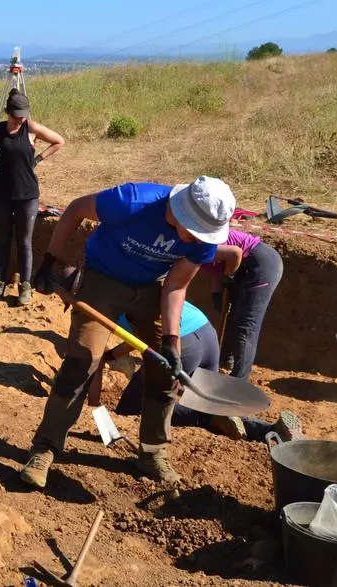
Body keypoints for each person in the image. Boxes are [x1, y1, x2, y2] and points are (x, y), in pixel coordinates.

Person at [20, 175, 236, 487]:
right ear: (182, 212)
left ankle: (152, 453)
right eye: (195, 231)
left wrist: (172, 341)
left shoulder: (205, 240)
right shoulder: (133, 201)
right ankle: (45, 449)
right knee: (82, 359)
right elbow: (76, 209)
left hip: (151, 287)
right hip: (101, 280)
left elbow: (176, 285)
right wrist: (49, 261)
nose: (197, 239)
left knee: (165, 369)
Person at [105, 301, 303, 443]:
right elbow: (141, 336)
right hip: (206, 334)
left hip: (182, 344)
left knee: (131, 407)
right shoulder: (136, 288)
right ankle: (271, 430)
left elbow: (145, 337)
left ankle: (205, 417)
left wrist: (105, 360)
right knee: (208, 401)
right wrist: (113, 355)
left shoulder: (106, 304)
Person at [0, 89, 65, 306]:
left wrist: (38, 159)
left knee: (24, 242)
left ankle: (25, 287)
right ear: (8, 113)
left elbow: (59, 141)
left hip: (27, 194)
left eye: (23, 115)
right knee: (2, 240)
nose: (20, 119)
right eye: (16, 115)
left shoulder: (31, 128)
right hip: (1, 193)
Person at [205, 229, 283, 381]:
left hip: (260, 263)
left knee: (246, 326)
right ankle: (226, 359)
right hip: (241, 266)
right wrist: (217, 293)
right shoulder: (189, 243)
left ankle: (240, 380)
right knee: (232, 316)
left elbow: (234, 253)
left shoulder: (196, 242)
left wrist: (229, 276)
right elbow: (215, 268)